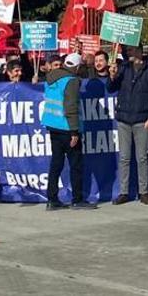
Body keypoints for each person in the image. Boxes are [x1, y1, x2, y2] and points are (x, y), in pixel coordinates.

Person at [109, 47, 148, 206]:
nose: (128, 54)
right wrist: (112, 76)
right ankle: (124, 192)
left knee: (142, 157)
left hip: (141, 119)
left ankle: (143, 192)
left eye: (131, 51)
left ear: (139, 52)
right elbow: (111, 88)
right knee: (124, 157)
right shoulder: (123, 68)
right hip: (124, 118)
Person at [43, 53, 95, 211]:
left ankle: (52, 199)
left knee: (56, 163)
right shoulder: (71, 81)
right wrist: (74, 131)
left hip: (53, 125)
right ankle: (77, 199)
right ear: (78, 67)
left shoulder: (50, 77)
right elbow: (71, 106)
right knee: (76, 164)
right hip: (67, 127)